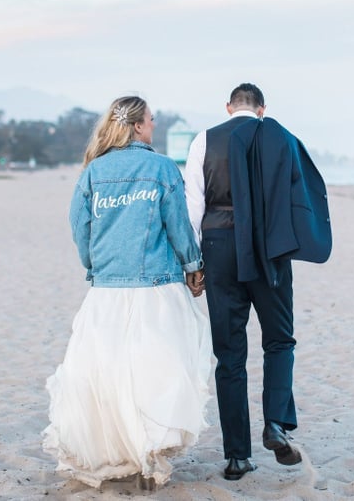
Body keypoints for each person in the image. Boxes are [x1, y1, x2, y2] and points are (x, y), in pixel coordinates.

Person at [43, 95, 212, 489]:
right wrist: (193, 266)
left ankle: (124, 451)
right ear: (137, 126)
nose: (155, 125)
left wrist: (94, 264)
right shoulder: (161, 168)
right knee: (156, 368)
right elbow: (178, 226)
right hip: (156, 287)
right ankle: (150, 451)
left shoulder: (93, 172)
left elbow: (78, 226)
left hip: (107, 289)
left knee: (108, 370)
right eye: (151, 120)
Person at [184, 83, 332, 481]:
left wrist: (193, 262)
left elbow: (193, 205)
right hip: (269, 249)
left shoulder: (204, 139)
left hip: (219, 246)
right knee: (279, 340)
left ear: (229, 107)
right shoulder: (281, 138)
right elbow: (300, 195)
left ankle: (236, 457)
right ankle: (276, 424)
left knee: (229, 355)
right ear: (262, 109)